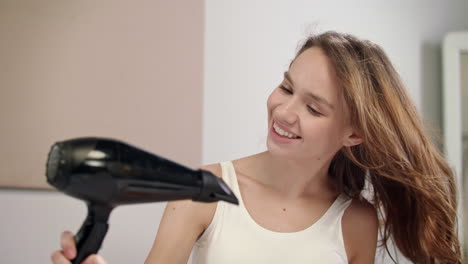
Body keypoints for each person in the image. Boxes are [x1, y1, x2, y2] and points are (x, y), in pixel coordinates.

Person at [51, 31, 462, 264]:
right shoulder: (202, 191)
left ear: (353, 134)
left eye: (314, 108)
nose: (283, 111)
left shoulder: (355, 221)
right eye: (286, 86)